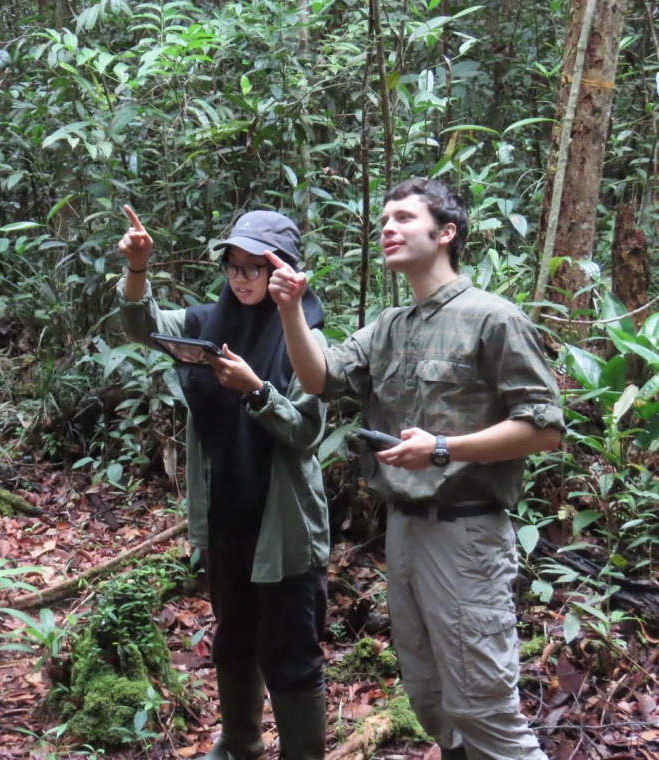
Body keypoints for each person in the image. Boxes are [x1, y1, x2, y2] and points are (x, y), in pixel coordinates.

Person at [267, 177, 564, 760]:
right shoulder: (390, 325)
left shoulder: (492, 319)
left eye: (404, 217)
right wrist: (290, 309)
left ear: (446, 233)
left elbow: (545, 428)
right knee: (429, 700)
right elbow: (318, 378)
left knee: (484, 708)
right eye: (384, 219)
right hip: (402, 531)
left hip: (466, 534)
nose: (388, 227)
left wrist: (444, 447)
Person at [117, 205, 330, 760]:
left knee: (289, 647)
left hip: (282, 520)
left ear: (281, 269)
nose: (240, 278)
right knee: (234, 635)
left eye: (252, 267)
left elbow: (307, 429)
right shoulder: (207, 322)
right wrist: (138, 269)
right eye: (232, 265)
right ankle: (240, 741)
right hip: (226, 513)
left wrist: (257, 390)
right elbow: (142, 327)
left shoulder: (307, 336)